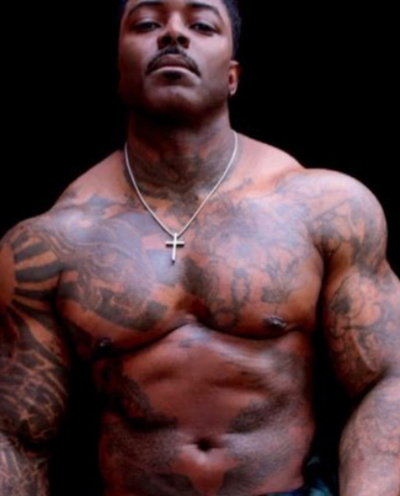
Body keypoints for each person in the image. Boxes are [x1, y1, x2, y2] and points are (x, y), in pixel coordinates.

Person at [1, 0, 399, 494]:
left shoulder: (326, 209)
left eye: (202, 24)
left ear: (232, 77)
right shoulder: (50, 244)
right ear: (119, 71)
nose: (173, 34)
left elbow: (386, 382)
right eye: (147, 23)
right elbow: (16, 436)